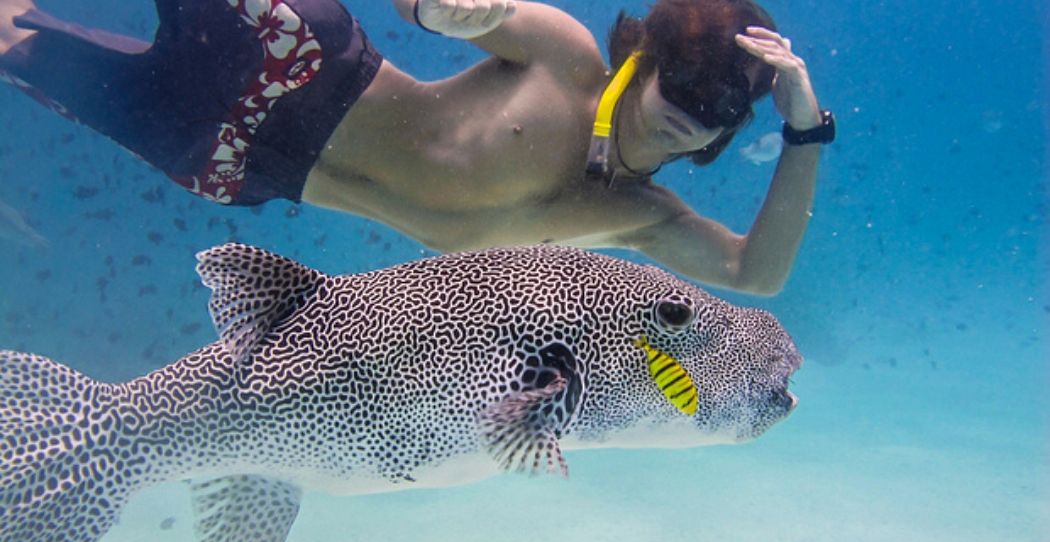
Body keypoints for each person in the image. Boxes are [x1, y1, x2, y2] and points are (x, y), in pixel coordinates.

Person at [0, 0, 834, 294]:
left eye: (721, 106)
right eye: (682, 84)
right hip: (294, 59)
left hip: (232, 162)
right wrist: (445, 11)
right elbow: (435, 6)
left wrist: (807, 127)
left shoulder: (643, 219)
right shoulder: (572, 59)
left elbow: (750, 275)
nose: (693, 113)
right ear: (643, 59)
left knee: (13, 43)